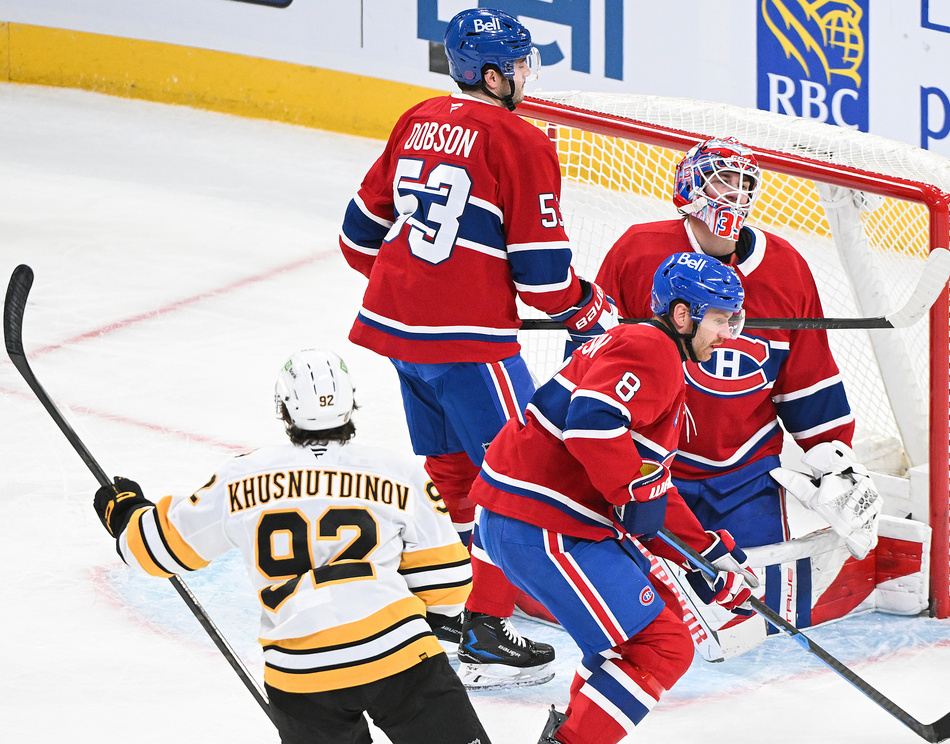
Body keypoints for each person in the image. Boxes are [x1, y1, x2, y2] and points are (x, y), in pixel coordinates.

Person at [338, 7, 616, 689]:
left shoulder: (416, 118)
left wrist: (421, 285)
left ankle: (449, 605)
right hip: (467, 345)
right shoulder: (520, 140)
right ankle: (487, 630)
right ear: (491, 75)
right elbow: (546, 278)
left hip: (397, 333)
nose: (528, 74)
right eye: (520, 64)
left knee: (456, 472)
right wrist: (588, 308)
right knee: (521, 478)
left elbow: (354, 237)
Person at [93, 349, 491, 744]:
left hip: (301, 673)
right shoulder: (396, 472)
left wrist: (128, 514)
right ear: (352, 401)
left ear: (283, 407)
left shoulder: (241, 477)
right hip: (400, 658)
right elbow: (448, 584)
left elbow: (155, 550)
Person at [594, 137, 881, 652]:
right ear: (690, 184)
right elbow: (594, 359)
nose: (735, 192)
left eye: (745, 181)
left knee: (759, 617)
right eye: (723, 178)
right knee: (647, 614)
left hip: (745, 472)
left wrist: (837, 462)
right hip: (655, 466)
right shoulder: (638, 251)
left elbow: (807, 375)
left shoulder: (787, 266)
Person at [467, 254, 759, 744]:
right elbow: (591, 424)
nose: (729, 333)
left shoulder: (645, 348)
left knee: (649, 630)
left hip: (534, 520)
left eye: (734, 319)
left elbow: (648, 483)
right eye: (720, 318)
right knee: (659, 646)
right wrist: (633, 490)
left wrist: (708, 555)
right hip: (543, 526)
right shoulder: (652, 347)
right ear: (683, 315)